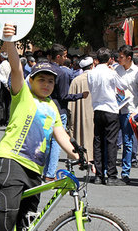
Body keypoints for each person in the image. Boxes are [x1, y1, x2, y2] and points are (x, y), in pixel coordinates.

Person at [0, 23, 79, 231]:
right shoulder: (22, 94)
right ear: (32, 81)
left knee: (28, 221)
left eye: (51, 81)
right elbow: (16, 67)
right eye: (43, 79)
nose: (48, 84)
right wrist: (10, 40)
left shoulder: (52, 107)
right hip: (10, 160)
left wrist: (80, 157)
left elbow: (61, 136)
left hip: (34, 169)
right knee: (11, 209)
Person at [44, 44, 87, 181]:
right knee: (57, 142)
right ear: (58, 56)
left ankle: (45, 171)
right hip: (58, 109)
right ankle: (50, 173)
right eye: (64, 56)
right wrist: (80, 95)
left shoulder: (45, 68)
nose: (66, 58)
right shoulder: (61, 73)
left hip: (45, 107)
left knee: (46, 141)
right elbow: (64, 96)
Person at [88, 48, 128, 186]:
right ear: (110, 59)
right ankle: (111, 175)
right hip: (110, 109)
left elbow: (91, 87)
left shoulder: (91, 73)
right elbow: (123, 85)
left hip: (97, 108)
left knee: (98, 142)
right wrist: (114, 71)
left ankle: (99, 174)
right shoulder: (111, 72)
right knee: (111, 142)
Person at [115, 46, 138, 183]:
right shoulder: (116, 70)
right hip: (116, 109)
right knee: (114, 141)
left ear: (129, 58)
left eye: (121, 57)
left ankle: (125, 172)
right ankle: (110, 170)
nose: (119, 59)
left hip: (130, 110)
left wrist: (137, 111)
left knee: (128, 141)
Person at [68, 56, 95, 160]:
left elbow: (70, 104)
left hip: (79, 116)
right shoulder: (96, 78)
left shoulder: (76, 81)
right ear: (92, 66)